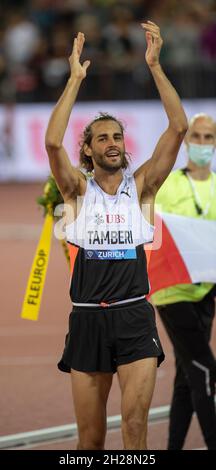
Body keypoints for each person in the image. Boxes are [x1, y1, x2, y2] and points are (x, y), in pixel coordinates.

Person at [45, 23, 188, 450]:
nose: (112, 142)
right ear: (87, 149)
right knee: (89, 442)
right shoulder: (77, 190)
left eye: (118, 136)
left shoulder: (141, 187)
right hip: (87, 317)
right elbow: (53, 143)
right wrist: (74, 80)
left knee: (134, 430)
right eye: (102, 137)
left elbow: (177, 127)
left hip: (133, 317)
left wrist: (155, 66)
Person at [151, 113, 216, 450]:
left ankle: (173, 446)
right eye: (197, 137)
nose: (202, 144)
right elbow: (150, 235)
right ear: (186, 141)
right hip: (171, 292)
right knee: (206, 369)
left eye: (208, 138)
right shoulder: (167, 186)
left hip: (205, 292)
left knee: (186, 376)